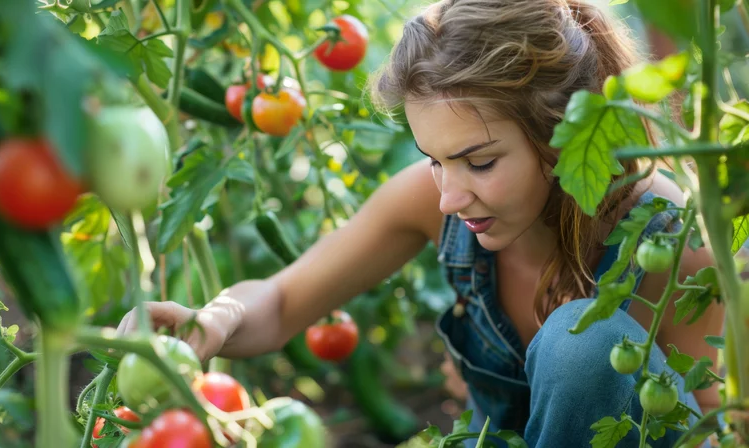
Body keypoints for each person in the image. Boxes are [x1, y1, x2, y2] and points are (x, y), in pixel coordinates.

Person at [117, 0, 726, 446]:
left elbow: (712, 428)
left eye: (479, 162)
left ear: (565, 135)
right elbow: (279, 301)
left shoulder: (668, 240)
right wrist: (213, 323)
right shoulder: (434, 202)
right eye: (433, 160)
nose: (447, 197)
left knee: (583, 344)